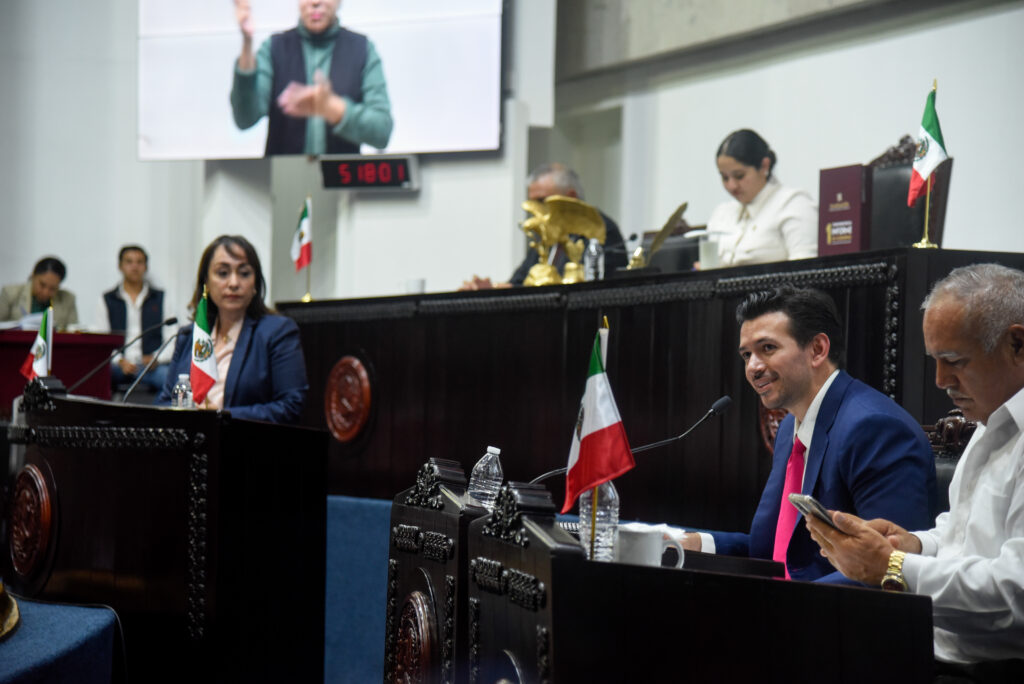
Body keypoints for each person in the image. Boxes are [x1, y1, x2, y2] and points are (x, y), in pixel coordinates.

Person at [806, 264, 1024, 677]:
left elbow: (1016, 594)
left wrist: (891, 567)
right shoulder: (991, 420)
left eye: (954, 360)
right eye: (935, 361)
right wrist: (914, 545)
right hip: (936, 653)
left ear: (1017, 344)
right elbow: (964, 536)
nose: (940, 380)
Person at [682, 286, 937, 582]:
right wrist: (697, 543)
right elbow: (778, 554)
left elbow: (889, 568)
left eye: (768, 348)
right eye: (747, 355)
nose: (753, 367)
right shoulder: (790, 427)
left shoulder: (875, 428)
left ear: (817, 349)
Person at [156, 235, 308, 424]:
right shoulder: (189, 336)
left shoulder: (277, 332)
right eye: (223, 273)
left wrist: (222, 416)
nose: (234, 283)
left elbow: (291, 407)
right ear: (206, 283)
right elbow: (165, 401)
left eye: (244, 273)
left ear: (255, 284)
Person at [230, 0, 393, 156]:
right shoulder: (274, 47)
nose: (315, 2)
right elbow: (245, 119)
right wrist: (247, 42)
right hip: (284, 174)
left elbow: (382, 130)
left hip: (340, 174)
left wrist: (333, 108)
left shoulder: (362, 49)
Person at [462, 163, 628, 289]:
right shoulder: (546, 234)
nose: (536, 211)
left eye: (542, 201)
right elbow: (520, 281)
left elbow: (591, 286)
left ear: (571, 197)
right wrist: (492, 289)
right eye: (532, 203)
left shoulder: (601, 230)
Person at [706, 129, 817, 267]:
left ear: (764, 165)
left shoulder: (794, 204)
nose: (732, 186)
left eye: (739, 176)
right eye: (725, 178)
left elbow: (805, 269)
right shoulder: (721, 214)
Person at [93, 245, 175, 394]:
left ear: (146, 267)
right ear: (120, 266)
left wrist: (156, 358)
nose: (134, 267)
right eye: (129, 262)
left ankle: (158, 410)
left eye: (139, 262)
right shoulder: (107, 299)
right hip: (118, 366)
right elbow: (101, 339)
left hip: (150, 367)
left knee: (169, 378)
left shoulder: (161, 298)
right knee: (96, 376)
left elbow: (172, 337)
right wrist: (119, 360)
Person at [0, 256, 79, 330]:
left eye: (52, 288)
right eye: (42, 285)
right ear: (33, 276)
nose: (45, 292)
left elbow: (73, 332)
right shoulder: (10, 293)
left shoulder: (68, 299)